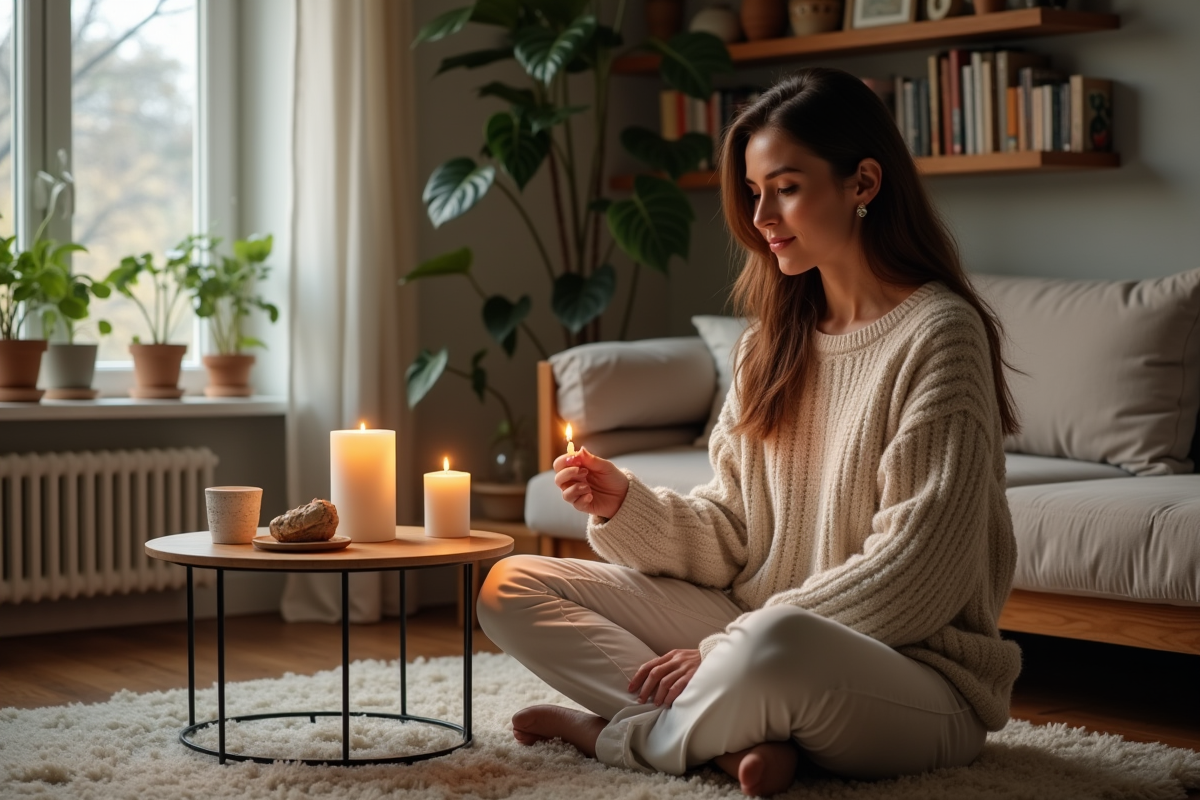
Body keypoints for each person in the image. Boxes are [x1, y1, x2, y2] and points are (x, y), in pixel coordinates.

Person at [477, 67, 1022, 797]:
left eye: (786, 187)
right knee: (510, 587)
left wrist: (724, 648)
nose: (762, 216)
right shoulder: (767, 345)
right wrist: (623, 506)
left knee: (773, 641)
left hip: (917, 676)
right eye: (755, 192)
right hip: (758, 632)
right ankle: (736, 737)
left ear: (863, 182)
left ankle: (619, 735)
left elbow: (916, 573)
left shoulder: (940, 334)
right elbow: (732, 534)